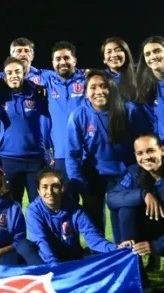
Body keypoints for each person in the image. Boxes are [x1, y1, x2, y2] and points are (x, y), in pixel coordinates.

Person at [66, 70, 154, 241]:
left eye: (104, 86)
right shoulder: (78, 116)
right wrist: (79, 184)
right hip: (94, 176)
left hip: (124, 174)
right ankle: (101, 260)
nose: (99, 91)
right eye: (93, 87)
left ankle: (134, 256)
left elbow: (145, 142)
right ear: (86, 92)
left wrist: (137, 174)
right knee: (94, 225)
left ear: (112, 88)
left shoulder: (129, 110)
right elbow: (73, 154)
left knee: (123, 223)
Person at [107, 133, 164, 275]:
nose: (146, 157)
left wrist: (156, 246)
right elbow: (112, 198)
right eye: (140, 153)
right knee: (125, 209)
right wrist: (143, 194)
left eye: (150, 151)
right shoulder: (134, 173)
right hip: (152, 229)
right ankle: (135, 275)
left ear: (162, 150)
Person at [0, 56, 51, 204]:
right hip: (9, 159)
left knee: (40, 204)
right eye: (9, 73)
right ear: (4, 76)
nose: (13, 75)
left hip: (36, 159)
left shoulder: (37, 94)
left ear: (24, 73)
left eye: (17, 71)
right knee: (10, 206)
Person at [27, 170, 125, 263]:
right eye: (45, 187)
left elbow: (93, 238)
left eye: (55, 186)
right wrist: (54, 265)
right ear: (39, 191)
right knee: (26, 248)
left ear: (62, 188)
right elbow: (40, 241)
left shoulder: (76, 210)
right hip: (48, 261)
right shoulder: (33, 211)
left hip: (72, 258)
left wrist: (116, 248)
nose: (50, 192)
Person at [40, 41, 86, 179]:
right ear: (53, 62)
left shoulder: (88, 80)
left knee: (93, 199)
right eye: (58, 59)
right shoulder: (48, 81)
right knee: (65, 199)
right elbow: (24, 72)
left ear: (75, 60)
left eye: (66, 58)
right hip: (61, 154)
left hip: (87, 153)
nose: (62, 62)